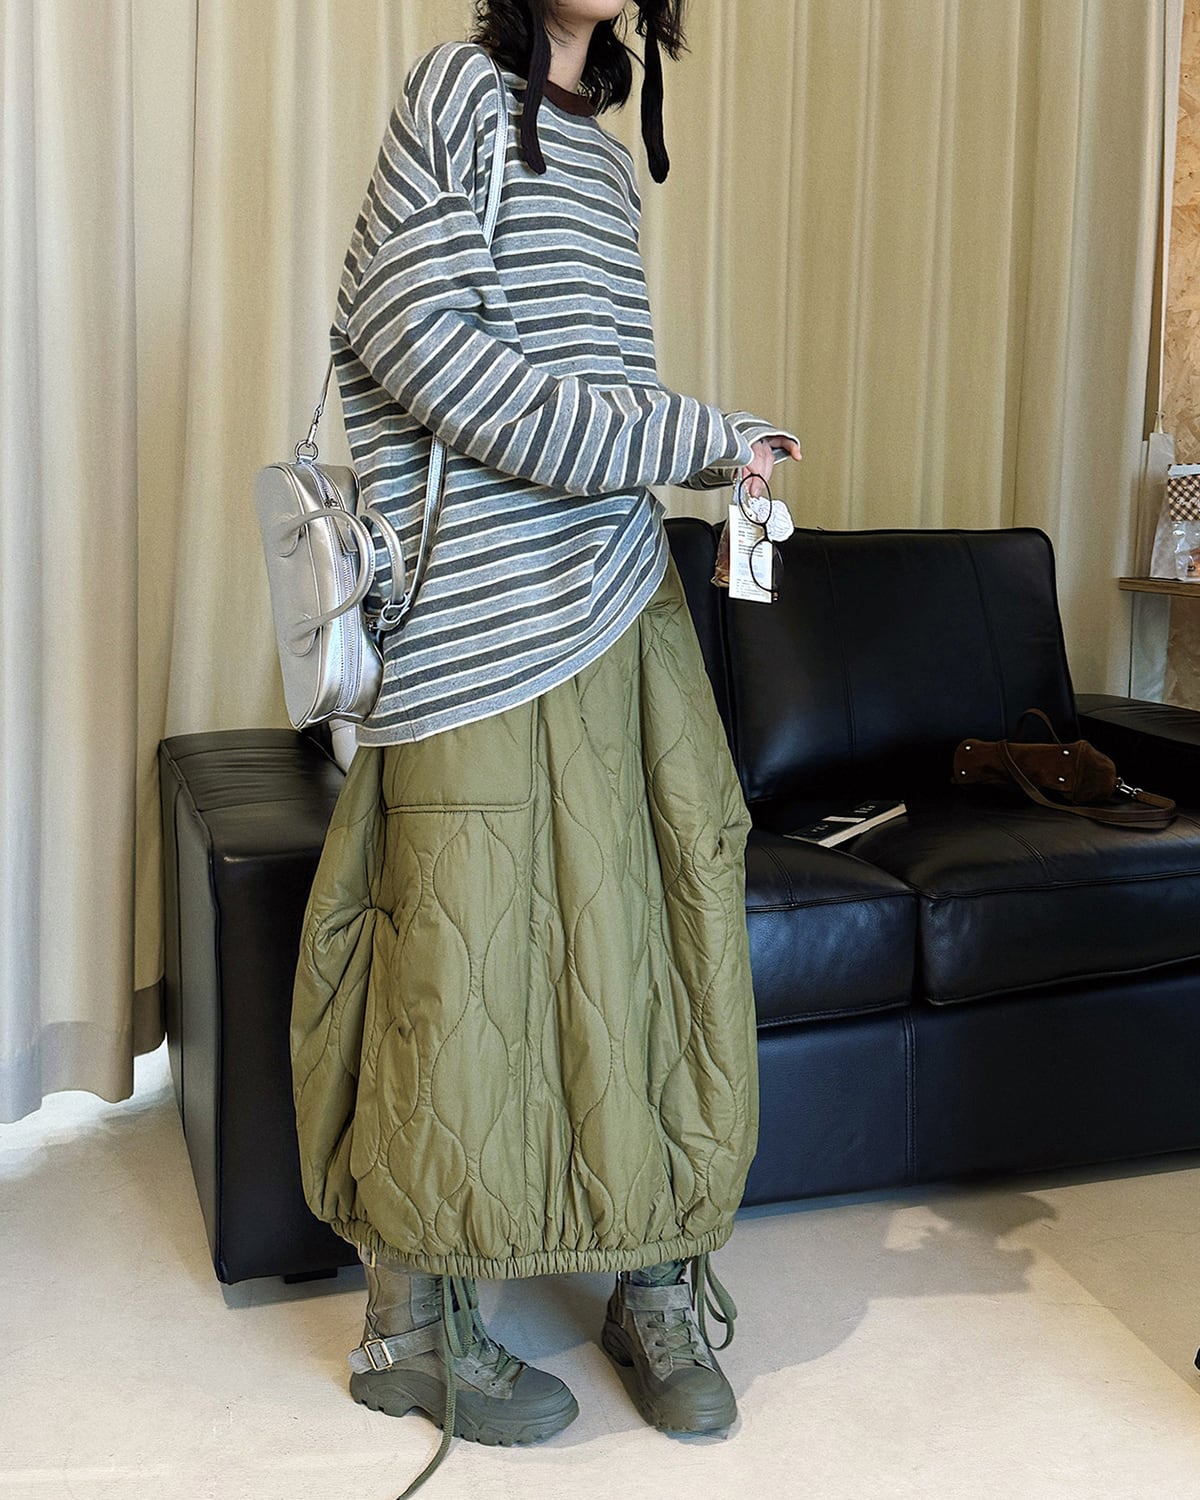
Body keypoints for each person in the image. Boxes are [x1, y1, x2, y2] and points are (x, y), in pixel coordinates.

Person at [289, 1, 801, 1492]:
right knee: (454, 971)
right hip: (474, 626)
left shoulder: (607, 155)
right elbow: (419, 347)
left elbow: (596, 393)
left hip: (618, 596)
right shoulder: (455, 91)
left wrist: (703, 454)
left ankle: (654, 1276)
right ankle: (409, 1330)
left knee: (656, 938)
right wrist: (682, 434)